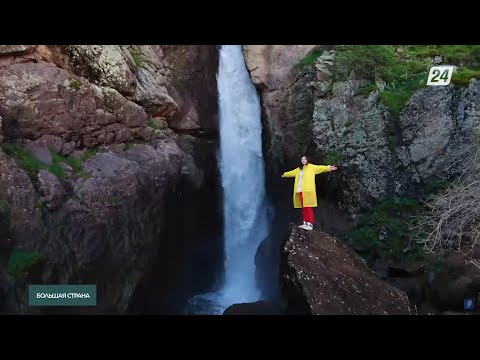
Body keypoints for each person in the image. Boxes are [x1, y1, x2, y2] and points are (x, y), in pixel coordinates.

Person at [281, 155, 338, 230]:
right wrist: (285, 174)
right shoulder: (299, 169)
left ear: (307, 160)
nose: (303, 160)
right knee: (304, 207)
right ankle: (305, 222)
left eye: (305, 159)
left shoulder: (311, 167)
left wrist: (328, 167)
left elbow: (320, 168)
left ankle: (310, 224)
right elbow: (291, 173)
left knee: (308, 207)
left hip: (308, 191)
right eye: (302, 159)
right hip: (300, 191)